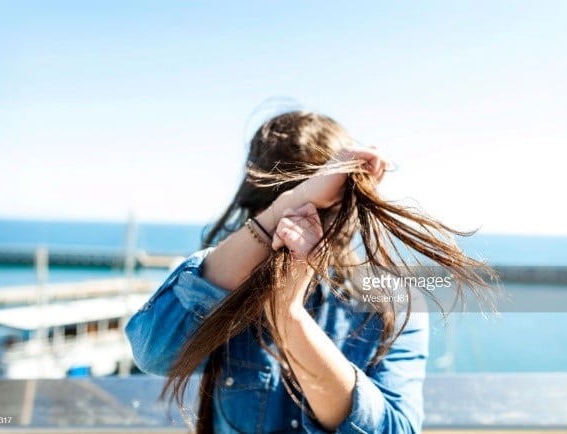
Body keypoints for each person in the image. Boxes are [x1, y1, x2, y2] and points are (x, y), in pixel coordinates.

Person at [126, 111, 494, 433]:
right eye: (278, 212)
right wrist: (285, 207)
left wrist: (289, 319)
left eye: (318, 210)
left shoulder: (390, 304)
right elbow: (154, 352)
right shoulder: (220, 280)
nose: (294, 230)